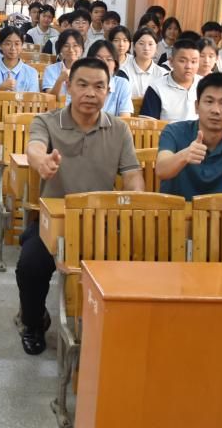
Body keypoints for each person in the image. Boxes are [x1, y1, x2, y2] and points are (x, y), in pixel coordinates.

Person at [15, 57, 144, 354]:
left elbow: (132, 174)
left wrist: (136, 197)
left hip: (103, 222)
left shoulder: (118, 129)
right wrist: (42, 161)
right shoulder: (47, 121)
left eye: (99, 87)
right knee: (29, 265)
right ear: (69, 87)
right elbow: (34, 148)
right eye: (82, 85)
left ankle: (114, 327)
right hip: (56, 221)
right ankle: (34, 322)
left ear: (108, 92)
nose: (90, 93)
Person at [156, 72, 222, 199]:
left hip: (218, 210)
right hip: (176, 210)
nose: (215, 110)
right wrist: (184, 155)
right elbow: (161, 171)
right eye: (209, 101)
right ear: (197, 107)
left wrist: (211, 205)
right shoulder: (173, 131)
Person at [141, 38, 201, 122]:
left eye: (193, 62)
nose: (189, 66)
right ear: (171, 62)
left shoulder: (206, 85)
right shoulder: (156, 88)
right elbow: (148, 126)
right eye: (182, 61)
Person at [0, 28, 41, 94]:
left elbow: (33, 99)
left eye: (17, 44)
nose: (13, 48)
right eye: (8, 44)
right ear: (0, 45)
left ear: (22, 46)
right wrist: (0, 89)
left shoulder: (31, 73)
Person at [87, 40, 134, 116]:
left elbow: (125, 118)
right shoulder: (79, 82)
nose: (104, 63)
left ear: (115, 64)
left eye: (109, 59)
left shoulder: (122, 84)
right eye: (99, 58)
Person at [121, 27, 164, 98]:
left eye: (150, 44)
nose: (146, 48)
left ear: (156, 47)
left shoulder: (163, 74)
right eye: (141, 43)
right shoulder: (123, 72)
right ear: (133, 46)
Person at [42, 29, 86, 98]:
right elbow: (50, 98)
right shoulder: (51, 70)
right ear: (60, 49)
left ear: (81, 49)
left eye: (75, 45)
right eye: (66, 46)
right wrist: (60, 80)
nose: (71, 49)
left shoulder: (88, 71)